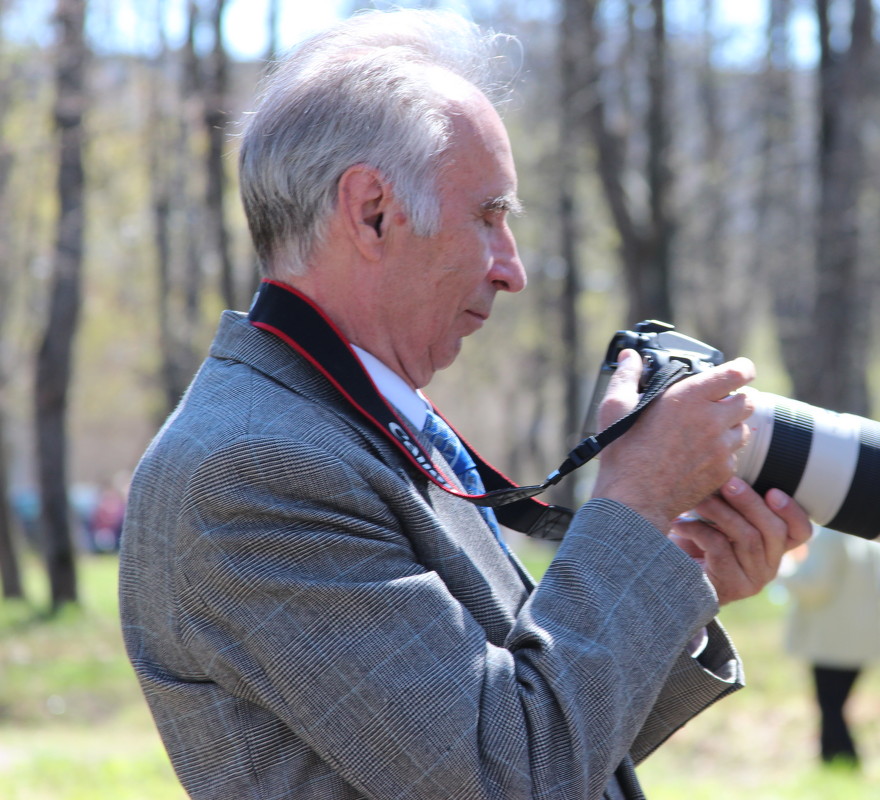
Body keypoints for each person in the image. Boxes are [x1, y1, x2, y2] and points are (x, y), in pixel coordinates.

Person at [118, 9, 811, 800]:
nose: (512, 269)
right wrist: (636, 499)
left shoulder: (349, 427)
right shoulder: (252, 469)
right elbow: (504, 776)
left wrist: (674, 573)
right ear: (372, 210)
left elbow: (544, 742)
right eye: (490, 216)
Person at [776, 527, 880, 767]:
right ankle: (840, 763)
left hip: (832, 642)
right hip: (862, 640)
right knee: (836, 707)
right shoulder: (873, 538)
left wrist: (782, 566)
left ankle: (841, 762)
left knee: (830, 708)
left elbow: (814, 587)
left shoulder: (830, 537)